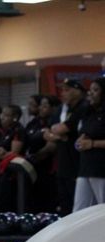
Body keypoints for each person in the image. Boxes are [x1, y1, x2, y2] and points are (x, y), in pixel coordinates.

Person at [44, 79, 90, 215]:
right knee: (64, 201)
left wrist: (57, 133)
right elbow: (48, 131)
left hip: (77, 162)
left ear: (78, 91)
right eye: (62, 90)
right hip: (62, 162)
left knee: (77, 203)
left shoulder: (83, 107)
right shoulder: (61, 109)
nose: (63, 93)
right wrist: (57, 135)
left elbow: (63, 128)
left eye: (67, 90)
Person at [73, 77, 105, 211]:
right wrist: (79, 143)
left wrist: (92, 144)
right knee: (79, 210)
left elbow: (91, 141)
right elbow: (82, 137)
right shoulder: (89, 112)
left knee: (102, 209)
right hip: (85, 168)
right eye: (90, 90)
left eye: (95, 90)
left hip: (102, 169)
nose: (90, 93)